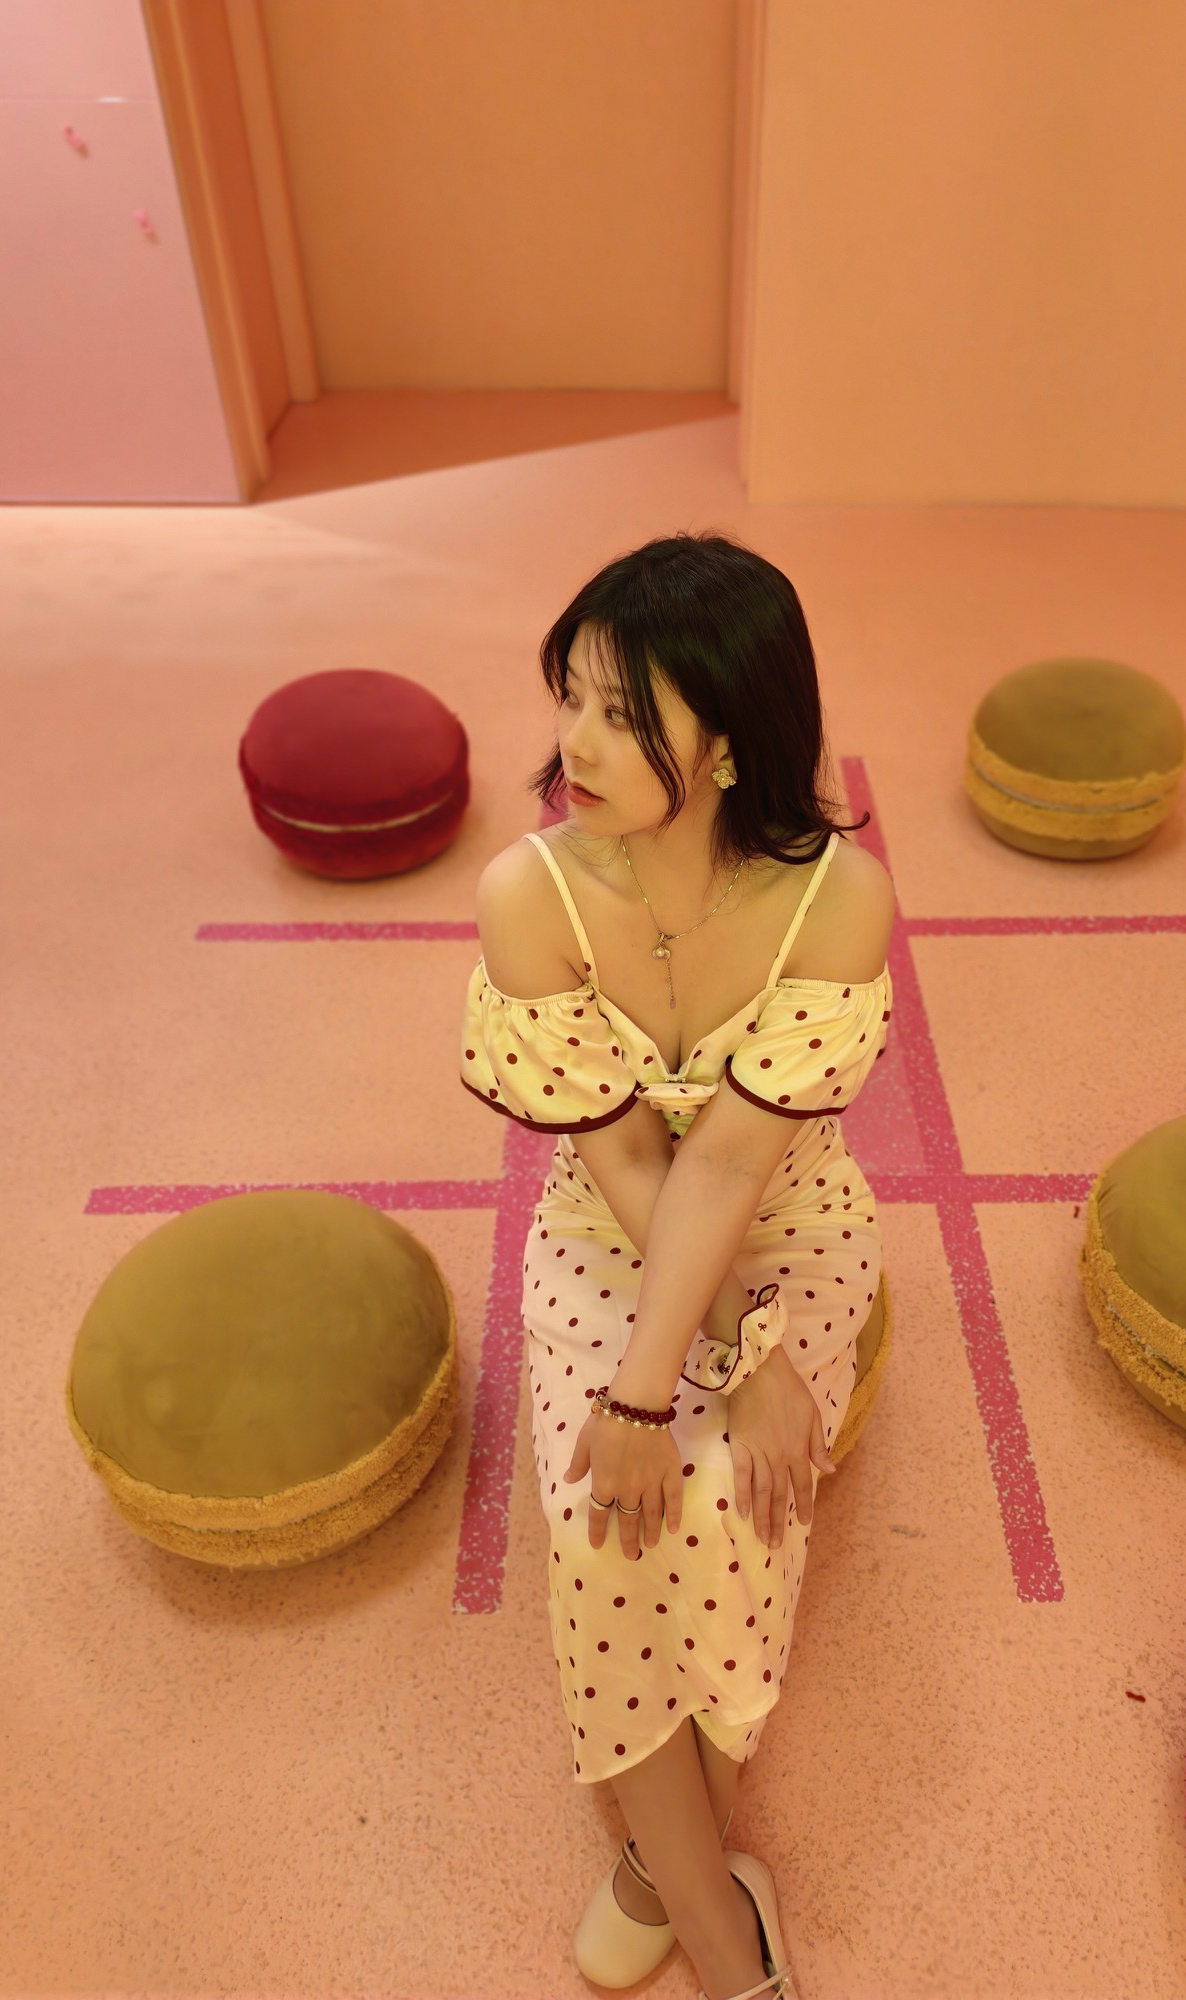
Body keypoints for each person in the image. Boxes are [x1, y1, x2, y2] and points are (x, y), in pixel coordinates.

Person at [460, 531, 894, 2000]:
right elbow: (635, 1161)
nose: (575, 744)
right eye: (572, 697)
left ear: (728, 747)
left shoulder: (837, 901)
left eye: (625, 715)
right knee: (610, 1523)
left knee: (726, 1507)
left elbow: (730, 1167)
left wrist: (739, 1361)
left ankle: (654, 1865)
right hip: (610, 1228)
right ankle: (721, 1931)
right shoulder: (527, 893)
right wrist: (670, 1384)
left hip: (790, 1226)